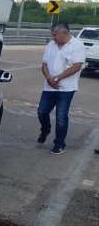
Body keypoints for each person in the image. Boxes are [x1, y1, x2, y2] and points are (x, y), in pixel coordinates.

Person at [37, 22, 85, 155]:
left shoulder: (77, 45)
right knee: (42, 112)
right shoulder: (50, 45)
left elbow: (76, 66)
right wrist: (49, 79)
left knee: (61, 116)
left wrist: (56, 79)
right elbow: (44, 65)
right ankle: (46, 130)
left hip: (66, 89)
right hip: (49, 87)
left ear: (65, 33)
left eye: (55, 35)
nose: (53, 38)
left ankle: (59, 144)